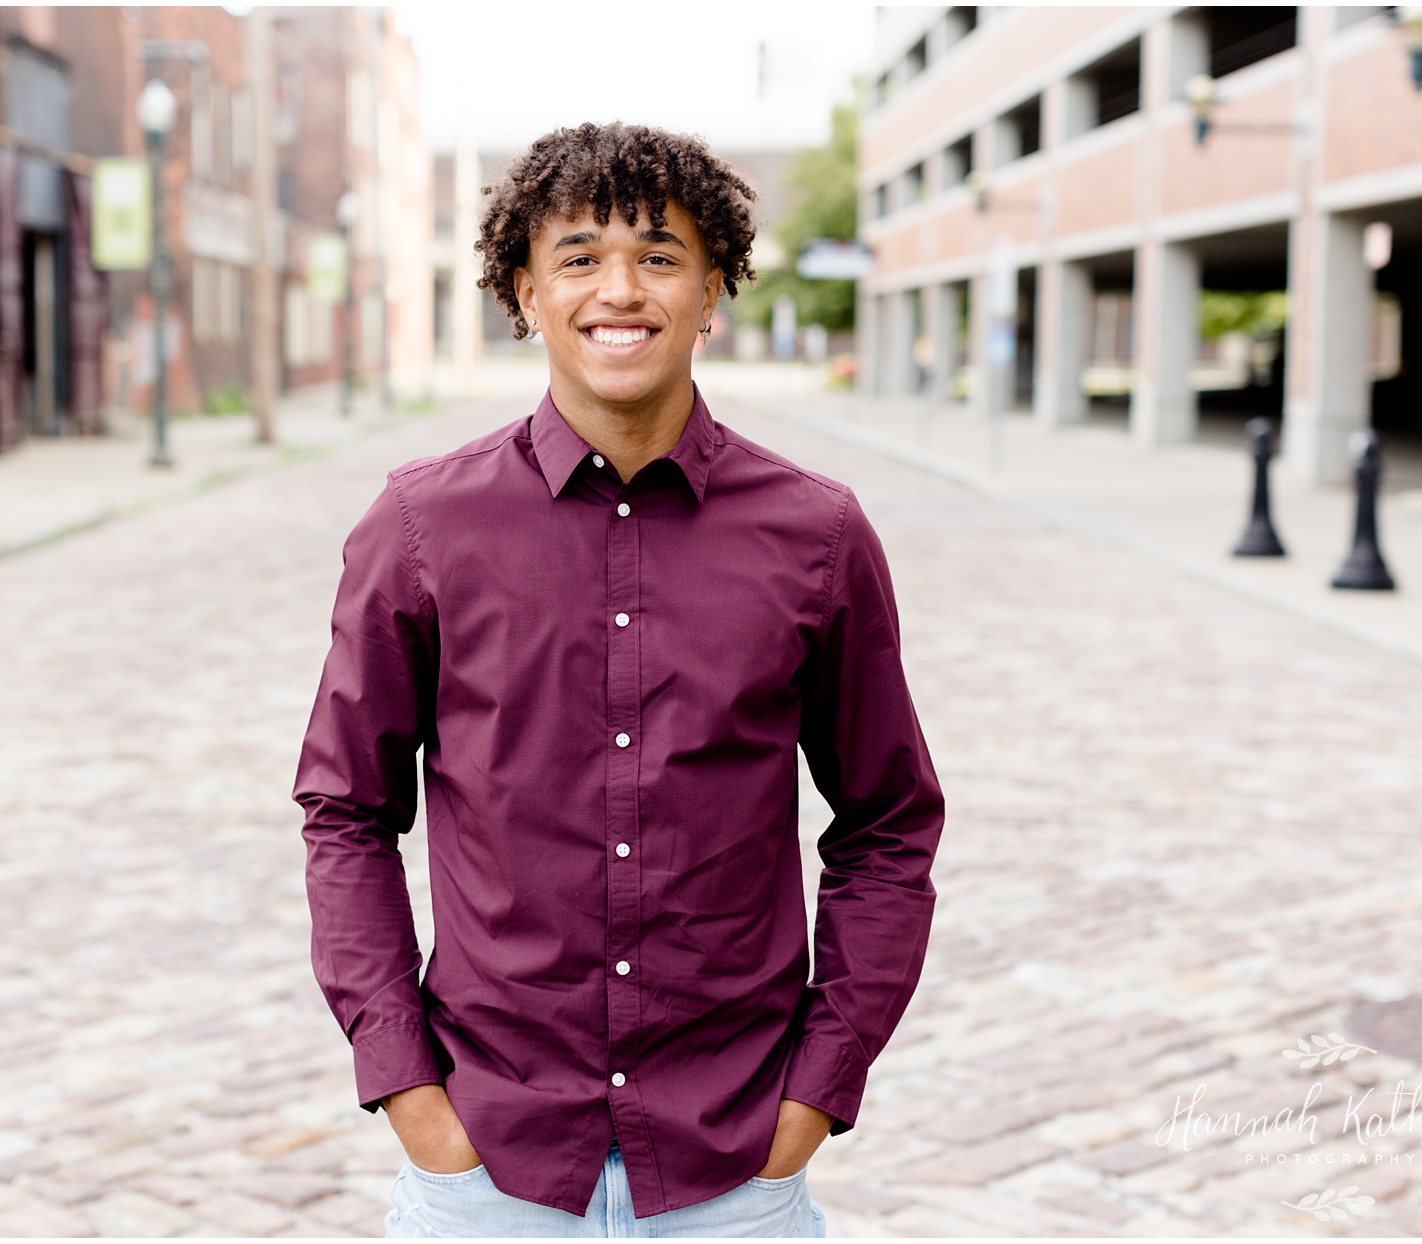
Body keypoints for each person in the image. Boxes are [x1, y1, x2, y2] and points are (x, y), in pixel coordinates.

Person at [295, 121, 944, 1238]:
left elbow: (889, 822)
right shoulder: (420, 527)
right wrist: (408, 1087)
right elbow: (346, 810)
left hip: (734, 1167)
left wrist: (815, 1090)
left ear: (713, 289)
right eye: (580, 257)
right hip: (488, 1169)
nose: (620, 289)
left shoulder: (818, 534)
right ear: (526, 294)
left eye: (660, 255)